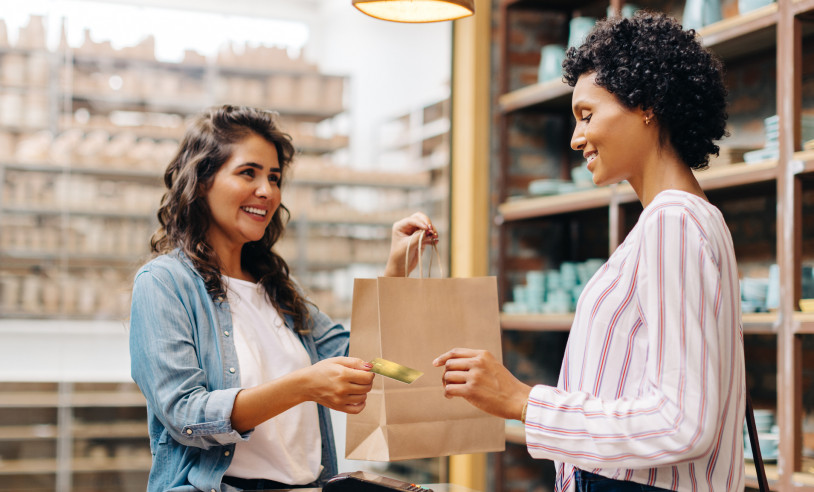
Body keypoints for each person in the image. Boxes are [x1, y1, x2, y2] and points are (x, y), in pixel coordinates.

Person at [434, 12, 743, 492]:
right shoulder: (689, 218)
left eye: (587, 115)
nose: (576, 138)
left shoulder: (673, 221)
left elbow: (682, 422)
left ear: (645, 105)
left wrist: (522, 400)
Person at [129, 105, 437, 492]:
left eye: (274, 178)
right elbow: (185, 415)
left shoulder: (275, 287)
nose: (267, 191)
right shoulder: (164, 283)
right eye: (248, 173)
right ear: (202, 181)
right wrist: (303, 386)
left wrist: (397, 269)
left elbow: (363, 359)